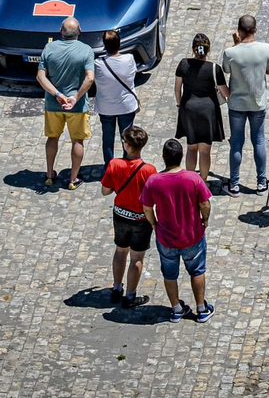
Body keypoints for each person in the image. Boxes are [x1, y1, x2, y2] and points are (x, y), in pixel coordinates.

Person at [139, 139, 214, 322]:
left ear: (163, 158)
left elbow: (147, 208)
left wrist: (154, 224)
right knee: (197, 271)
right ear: (181, 156)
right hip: (192, 236)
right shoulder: (193, 178)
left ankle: (176, 308)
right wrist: (204, 220)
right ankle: (201, 308)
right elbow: (205, 204)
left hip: (166, 238)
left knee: (169, 274)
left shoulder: (153, 181)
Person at [219, 15, 269, 195]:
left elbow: (227, 70)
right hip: (257, 103)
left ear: (239, 31)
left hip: (236, 104)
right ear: (256, 30)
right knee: (258, 141)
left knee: (236, 144)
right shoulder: (265, 49)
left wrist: (236, 46)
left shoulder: (230, 52)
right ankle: (261, 183)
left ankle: (234, 184)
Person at [36, 17, 94, 189]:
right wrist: (75, 97)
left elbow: (40, 76)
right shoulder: (86, 51)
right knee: (78, 141)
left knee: (52, 138)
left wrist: (57, 94)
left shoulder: (49, 48)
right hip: (77, 106)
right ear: (80, 31)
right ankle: (73, 179)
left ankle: (49, 174)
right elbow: (90, 78)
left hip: (54, 105)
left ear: (61, 31)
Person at [101, 125, 155, 308]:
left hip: (120, 215)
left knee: (120, 250)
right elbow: (152, 197)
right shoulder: (149, 170)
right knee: (137, 258)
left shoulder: (114, 164)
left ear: (127, 146)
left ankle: (117, 288)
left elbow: (105, 191)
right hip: (140, 219)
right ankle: (130, 296)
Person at [175, 33, 224, 182]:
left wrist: (179, 105)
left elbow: (177, 89)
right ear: (207, 50)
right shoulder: (214, 68)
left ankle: (190, 181)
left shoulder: (184, 64)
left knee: (191, 147)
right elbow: (225, 92)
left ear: (193, 49)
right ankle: (202, 181)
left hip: (189, 109)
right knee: (204, 151)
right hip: (208, 112)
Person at [94, 30, 140, 165]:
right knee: (128, 139)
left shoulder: (98, 63)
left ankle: (109, 168)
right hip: (126, 106)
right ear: (119, 43)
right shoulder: (129, 59)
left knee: (107, 139)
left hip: (106, 107)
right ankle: (127, 165)